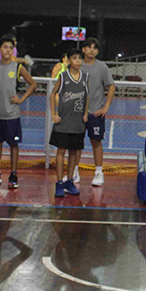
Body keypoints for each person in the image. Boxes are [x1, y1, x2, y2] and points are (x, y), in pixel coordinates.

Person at [0, 35, 37, 189]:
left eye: (10, 48)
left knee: (13, 144)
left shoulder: (18, 67)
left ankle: (13, 174)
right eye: (5, 47)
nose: (8, 50)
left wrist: (21, 98)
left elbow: (32, 84)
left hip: (12, 114)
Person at [72, 38, 115, 187]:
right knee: (76, 143)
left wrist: (106, 106)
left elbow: (111, 85)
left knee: (96, 142)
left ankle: (98, 173)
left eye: (95, 48)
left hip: (95, 113)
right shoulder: (76, 65)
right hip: (77, 113)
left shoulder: (102, 67)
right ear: (83, 49)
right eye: (89, 47)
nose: (92, 50)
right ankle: (74, 172)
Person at [50, 48, 89, 198]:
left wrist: (86, 113)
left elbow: (87, 96)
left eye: (79, 58)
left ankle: (69, 181)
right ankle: (59, 183)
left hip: (77, 123)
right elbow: (53, 94)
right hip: (63, 121)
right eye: (74, 58)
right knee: (61, 151)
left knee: (73, 152)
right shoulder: (63, 76)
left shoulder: (85, 77)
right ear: (69, 60)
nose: (77, 61)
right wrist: (53, 113)